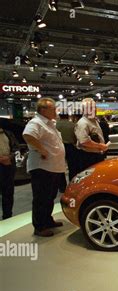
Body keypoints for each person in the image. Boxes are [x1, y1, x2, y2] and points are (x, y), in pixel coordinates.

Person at [23, 98, 67, 237]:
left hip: (52, 167)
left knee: (49, 197)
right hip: (43, 168)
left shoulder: (49, 123)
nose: (56, 110)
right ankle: (39, 226)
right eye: (53, 108)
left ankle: (47, 220)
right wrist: (42, 150)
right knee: (41, 198)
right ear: (43, 110)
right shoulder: (36, 122)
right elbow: (28, 135)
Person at [74, 98, 108, 173]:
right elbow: (84, 142)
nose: (95, 109)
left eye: (95, 107)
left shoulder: (94, 120)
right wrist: (100, 146)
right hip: (88, 157)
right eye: (91, 107)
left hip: (95, 155)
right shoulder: (83, 123)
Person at [0, 122, 18, 220]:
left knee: (8, 192)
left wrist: (9, 157)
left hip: (8, 165)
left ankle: (7, 216)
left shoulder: (8, 133)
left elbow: (16, 147)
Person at [56, 113, 79, 182]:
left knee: (60, 166)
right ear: (68, 116)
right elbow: (76, 137)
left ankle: (62, 186)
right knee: (72, 167)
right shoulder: (72, 125)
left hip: (59, 147)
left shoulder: (55, 125)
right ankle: (72, 183)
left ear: (59, 116)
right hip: (71, 146)